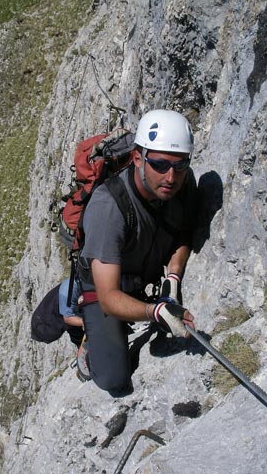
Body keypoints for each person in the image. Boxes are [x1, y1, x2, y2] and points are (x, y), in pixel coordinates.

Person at [75, 109, 198, 396]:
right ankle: (87, 337)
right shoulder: (109, 208)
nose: (171, 177)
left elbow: (183, 233)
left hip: (143, 267)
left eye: (180, 166)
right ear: (138, 159)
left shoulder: (182, 183)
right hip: (104, 286)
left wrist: (173, 279)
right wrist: (154, 311)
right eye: (160, 164)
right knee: (114, 378)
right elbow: (108, 297)